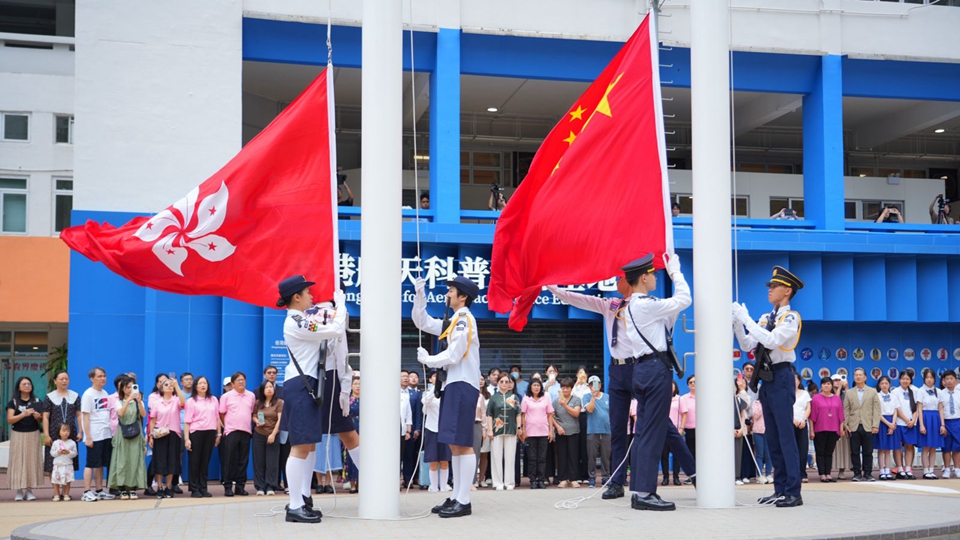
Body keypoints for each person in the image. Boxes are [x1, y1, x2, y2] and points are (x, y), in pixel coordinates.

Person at [548, 258, 694, 502]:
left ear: (630, 281)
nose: (616, 281)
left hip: (638, 367)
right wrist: (553, 288)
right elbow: (580, 300)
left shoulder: (649, 303)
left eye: (620, 278)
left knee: (662, 425)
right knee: (617, 428)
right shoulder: (610, 305)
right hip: (617, 371)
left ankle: (693, 471)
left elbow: (672, 316)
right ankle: (616, 481)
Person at [276, 275, 354, 524]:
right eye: (308, 293)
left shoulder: (301, 318)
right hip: (301, 386)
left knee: (308, 445)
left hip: (306, 385)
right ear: (296, 297)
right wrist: (341, 307)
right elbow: (333, 329)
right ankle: (295, 505)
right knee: (299, 447)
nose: (312, 296)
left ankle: (301, 501)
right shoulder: (296, 320)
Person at [618, 252, 692, 511]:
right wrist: (676, 272)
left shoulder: (634, 307)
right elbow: (685, 299)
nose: (656, 277)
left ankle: (640, 491)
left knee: (643, 433)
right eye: (653, 274)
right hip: (655, 370)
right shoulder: (646, 305)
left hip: (642, 369)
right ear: (643, 277)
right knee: (652, 433)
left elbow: (666, 321)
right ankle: (645, 493)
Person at [732, 265, 805, 508]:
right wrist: (737, 324)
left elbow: (772, 340)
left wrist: (745, 319)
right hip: (768, 380)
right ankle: (780, 489)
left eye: (774, 287)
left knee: (786, 437)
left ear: (787, 291)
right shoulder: (765, 317)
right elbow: (747, 345)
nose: (770, 290)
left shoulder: (790, 318)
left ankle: (793, 491)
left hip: (783, 377)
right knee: (773, 438)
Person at [413, 275, 482, 518]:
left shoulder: (464, 319)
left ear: (462, 296)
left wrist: (429, 360)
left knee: (461, 443)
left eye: (451, 290)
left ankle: (463, 500)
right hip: (455, 384)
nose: (447, 293)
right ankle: (456, 496)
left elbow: (455, 353)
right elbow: (422, 321)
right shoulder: (453, 320)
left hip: (463, 383)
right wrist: (419, 296)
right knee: (455, 443)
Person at [147, 375, 186, 498]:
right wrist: (151, 436)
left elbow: (183, 402)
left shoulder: (176, 400)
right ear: (161, 388)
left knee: (172, 460)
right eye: (166, 385)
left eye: (170, 385)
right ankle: (159, 486)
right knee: (159, 461)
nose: (169, 386)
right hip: (160, 434)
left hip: (174, 433)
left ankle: (169, 486)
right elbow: (152, 421)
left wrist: (177, 387)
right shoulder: (157, 402)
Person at [109, 375, 147, 499]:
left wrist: (138, 401)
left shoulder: (138, 401)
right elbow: (120, 413)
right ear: (123, 389)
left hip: (136, 434)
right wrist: (128, 400)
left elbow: (143, 414)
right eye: (128, 387)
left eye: (132, 387)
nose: (131, 389)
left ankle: (133, 488)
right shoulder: (118, 401)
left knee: (134, 459)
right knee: (122, 460)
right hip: (122, 434)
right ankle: (122, 488)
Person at [6, 376, 43, 501]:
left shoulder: (37, 401)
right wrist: (23, 414)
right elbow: (9, 420)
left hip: (33, 434)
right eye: (24, 384)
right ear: (19, 387)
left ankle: (29, 490)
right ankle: (18, 491)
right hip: (18, 434)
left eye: (29, 383)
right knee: (18, 461)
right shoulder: (13, 402)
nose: (27, 386)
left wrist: (38, 416)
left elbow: (41, 420)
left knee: (31, 461)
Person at [81, 367, 115, 502]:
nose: (103, 378)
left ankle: (99, 490)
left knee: (100, 464)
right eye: (100, 376)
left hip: (105, 434)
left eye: (104, 376)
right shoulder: (88, 394)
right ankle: (86, 491)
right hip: (94, 434)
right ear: (92, 378)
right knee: (91, 463)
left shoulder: (105, 393)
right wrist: (88, 436)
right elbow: (85, 417)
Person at [219, 372, 255, 497]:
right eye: (238, 380)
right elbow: (221, 414)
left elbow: (251, 412)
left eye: (243, 380)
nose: (241, 382)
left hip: (246, 431)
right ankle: (228, 486)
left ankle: (240, 486)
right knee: (229, 460)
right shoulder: (226, 396)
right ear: (233, 384)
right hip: (231, 431)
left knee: (243, 461)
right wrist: (228, 425)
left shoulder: (251, 395)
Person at [843, 367, 881, 482]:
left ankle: (868, 473)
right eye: (856, 375)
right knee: (854, 451)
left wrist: (875, 425)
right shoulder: (849, 393)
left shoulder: (872, 391)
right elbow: (846, 410)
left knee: (868, 451)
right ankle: (857, 473)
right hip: (853, 426)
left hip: (868, 425)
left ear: (865, 377)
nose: (858, 377)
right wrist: (846, 424)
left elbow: (877, 409)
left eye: (860, 375)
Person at [42, 370, 82, 480]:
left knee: (69, 461)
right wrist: (46, 435)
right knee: (52, 463)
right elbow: (45, 416)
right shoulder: (49, 397)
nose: (64, 381)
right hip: (54, 433)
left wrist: (80, 431)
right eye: (61, 379)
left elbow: (79, 415)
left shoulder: (75, 396)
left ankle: (66, 491)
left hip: (70, 433)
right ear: (55, 381)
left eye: (66, 379)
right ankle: (56, 491)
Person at [184, 376, 219, 498]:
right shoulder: (191, 401)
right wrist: (187, 439)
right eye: (200, 383)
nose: (203, 385)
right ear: (196, 386)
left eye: (205, 383)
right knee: (195, 462)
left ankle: (203, 487)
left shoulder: (213, 399)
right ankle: (194, 489)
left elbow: (217, 418)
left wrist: (218, 434)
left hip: (210, 432)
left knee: (205, 461)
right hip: (196, 433)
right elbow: (187, 421)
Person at [486, 372, 522, 490]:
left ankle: (509, 482)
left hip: (511, 429)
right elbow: (489, 414)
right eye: (502, 381)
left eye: (507, 382)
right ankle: (497, 482)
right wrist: (490, 430)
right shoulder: (493, 398)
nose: (504, 384)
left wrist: (519, 427)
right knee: (496, 456)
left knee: (510, 457)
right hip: (497, 430)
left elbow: (518, 414)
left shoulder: (514, 397)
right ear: (498, 382)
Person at [809, 376, 844, 483]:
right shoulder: (816, 398)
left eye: (828, 384)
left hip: (833, 429)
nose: (826, 386)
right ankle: (822, 474)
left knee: (829, 452)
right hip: (819, 429)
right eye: (824, 384)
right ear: (821, 385)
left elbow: (841, 415)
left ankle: (828, 473)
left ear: (832, 385)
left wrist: (841, 429)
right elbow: (812, 416)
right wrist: (811, 430)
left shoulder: (837, 398)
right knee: (820, 452)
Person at [421, 371, 451, 493]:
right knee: (433, 459)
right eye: (435, 377)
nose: (437, 379)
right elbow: (425, 402)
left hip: (444, 429)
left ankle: (443, 487)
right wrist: (435, 388)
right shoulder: (428, 393)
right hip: (431, 429)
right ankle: (433, 487)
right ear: (430, 379)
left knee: (444, 459)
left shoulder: (447, 392)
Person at [252, 380, 284, 496]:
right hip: (259, 434)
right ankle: (260, 486)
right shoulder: (258, 402)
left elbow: (280, 420)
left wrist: (273, 435)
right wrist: (256, 421)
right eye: (266, 387)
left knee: (272, 462)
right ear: (262, 390)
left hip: (273, 434)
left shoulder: (279, 402)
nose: (269, 389)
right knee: (259, 461)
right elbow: (254, 415)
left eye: (271, 387)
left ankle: (271, 486)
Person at [521, 378, 554, 489]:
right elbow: (522, 415)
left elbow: (550, 415)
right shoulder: (526, 399)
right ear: (530, 387)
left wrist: (551, 431)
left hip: (543, 432)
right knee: (532, 458)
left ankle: (541, 479)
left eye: (538, 385)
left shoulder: (545, 399)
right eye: (534, 385)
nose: (536, 387)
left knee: (542, 458)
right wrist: (524, 431)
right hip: (530, 433)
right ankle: (533, 480)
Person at [552, 378, 581, 488]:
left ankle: (573, 479)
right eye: (563, 388)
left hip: (574, 431)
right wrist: (558, 427)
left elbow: (576, 413)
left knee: (573, 455)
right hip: (561, 432)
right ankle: (563, 479)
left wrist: (564, 405)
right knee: (562, 455)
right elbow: (551, 416)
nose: (565, 390)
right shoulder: (555, 401)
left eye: (567, 388)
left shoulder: (576, 400)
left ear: (571, 388)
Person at [584, 376, 611, 488]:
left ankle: (606, 478)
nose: (594, 386)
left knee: (606, 456)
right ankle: (592, 478)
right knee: (592, 456)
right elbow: (589, 409)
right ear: (589, 386)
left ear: (600, 385)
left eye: (596, 384)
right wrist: (593, 397)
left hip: (606, 430)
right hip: (592, 430)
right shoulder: (586, 397)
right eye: (591, 384)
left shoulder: (607, 397)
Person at [917, 369, 944, 479]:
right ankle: (925, 470)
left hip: (936, 419)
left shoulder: (938, 391)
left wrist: (942, 424)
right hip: (926, 418)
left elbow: (941, 409)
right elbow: (919, 409)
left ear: (934, 379)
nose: (929, 380)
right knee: (926, 446)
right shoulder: (921, 391)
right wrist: (921, 425)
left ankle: (932, 470)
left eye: (931, 377)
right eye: (927, 377)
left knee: (933, 447)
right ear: (924, 379)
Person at [893, 370, 920, 480]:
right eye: (903, 378)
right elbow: (897, 408)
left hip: (911, 424)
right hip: (899, 423)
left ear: (910, 380)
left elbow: (916, 407)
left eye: (907, 379)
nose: (905, 381)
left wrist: (913, 420)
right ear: (899, 380)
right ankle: (900, 469)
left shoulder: (915, 391)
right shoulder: (895, 392)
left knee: (909, 446)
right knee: (898, 446)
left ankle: (908, 469)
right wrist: (905, 420)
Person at [874, 376, 901, 480]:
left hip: (892, 422)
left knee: (889, 448)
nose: (884, 385)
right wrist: (888, 424)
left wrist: (893, 424)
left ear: (889, 384)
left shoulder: (893, 396)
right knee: (882, 448)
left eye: (886, 383)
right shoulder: (876, 396)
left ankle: (887, 470)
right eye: (882, 383)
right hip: (882, 422)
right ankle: (881, 471)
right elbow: (877, 412)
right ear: (879, 385)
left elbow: (895, 410)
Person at [401, 370, 423, 489]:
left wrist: (417, 428)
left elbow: (417, 413)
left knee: (409, 454)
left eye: (406, 376)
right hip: (398, 428)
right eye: (403, 376)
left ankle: (408, 478)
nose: (406, 378)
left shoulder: (414, 395)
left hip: (410, 427)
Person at [938, 370, 960, 478]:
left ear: (955, 380)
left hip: (957, 421)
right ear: (944, 381)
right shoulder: (941, 393)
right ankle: (947, 469)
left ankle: (957, 469)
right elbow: (940, 409)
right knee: (946, 447)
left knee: (957, 447)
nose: (949, 381)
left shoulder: (959, 393)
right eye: (947, 379)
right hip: (946, 422)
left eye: (951, 379)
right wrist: (942, 424)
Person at [792, 373, 812, 484]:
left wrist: (803, 420)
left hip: (802, 424)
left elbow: (808, 408)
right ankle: (792, 473)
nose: (793, 381)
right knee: (791, 450)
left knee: (803, 449)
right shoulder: (786, 393)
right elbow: (785, 408)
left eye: (795, 379)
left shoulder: (805, 394)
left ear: (799, 381)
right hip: (790, 423)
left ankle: (802, 473)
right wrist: (792, 419)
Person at [50, 423, 78, 501]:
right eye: (63, 431)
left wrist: (68, 452)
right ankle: (56, 494)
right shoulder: (56, 443)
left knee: (68, 481)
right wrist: (58, 452)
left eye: (68, 431)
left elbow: (75, 453)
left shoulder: (72, 442)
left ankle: (66, 494)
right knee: (56, 481)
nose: (66, 433)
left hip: (68, 465)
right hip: (58, 465)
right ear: (59, 432)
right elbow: (52, 453)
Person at [751, 397, 772, 484]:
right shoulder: (756, 403)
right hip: (758, 431)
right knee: (759, 453)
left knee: (768, 454)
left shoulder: (771, 401)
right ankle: (759, 474)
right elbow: (755, 415)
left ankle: (768, 474)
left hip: (769, 430)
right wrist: (762, 405)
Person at [733, 378, 750, 485]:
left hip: (740, 428)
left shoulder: (739, 399)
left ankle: (738, 476)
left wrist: (741, 428)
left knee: (739, 454)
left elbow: (744, 412)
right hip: (729, 429)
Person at [345, 377, 360, 493]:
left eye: (360, 384)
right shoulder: (348, 400)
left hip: (364, 428)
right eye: (355, 384)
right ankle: (352, 484)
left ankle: (361, 482)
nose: (358, 386)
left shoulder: (367, 400)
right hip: (351, 427)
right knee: (351, 457)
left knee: (363, 455)